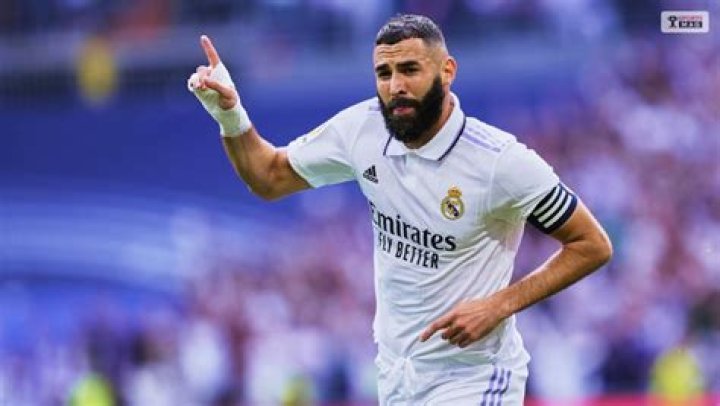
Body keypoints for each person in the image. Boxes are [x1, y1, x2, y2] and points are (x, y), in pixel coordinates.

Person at [187, 14, 612, 405]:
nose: (395, 86)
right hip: (397, 378)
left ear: (447, 71)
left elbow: (591, 244)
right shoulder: (362, 129)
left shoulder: (500, 161)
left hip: (474, 376)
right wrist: (229, 113)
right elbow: (269, 177)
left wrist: (498, 305)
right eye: (384, 73)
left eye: (409, 70)